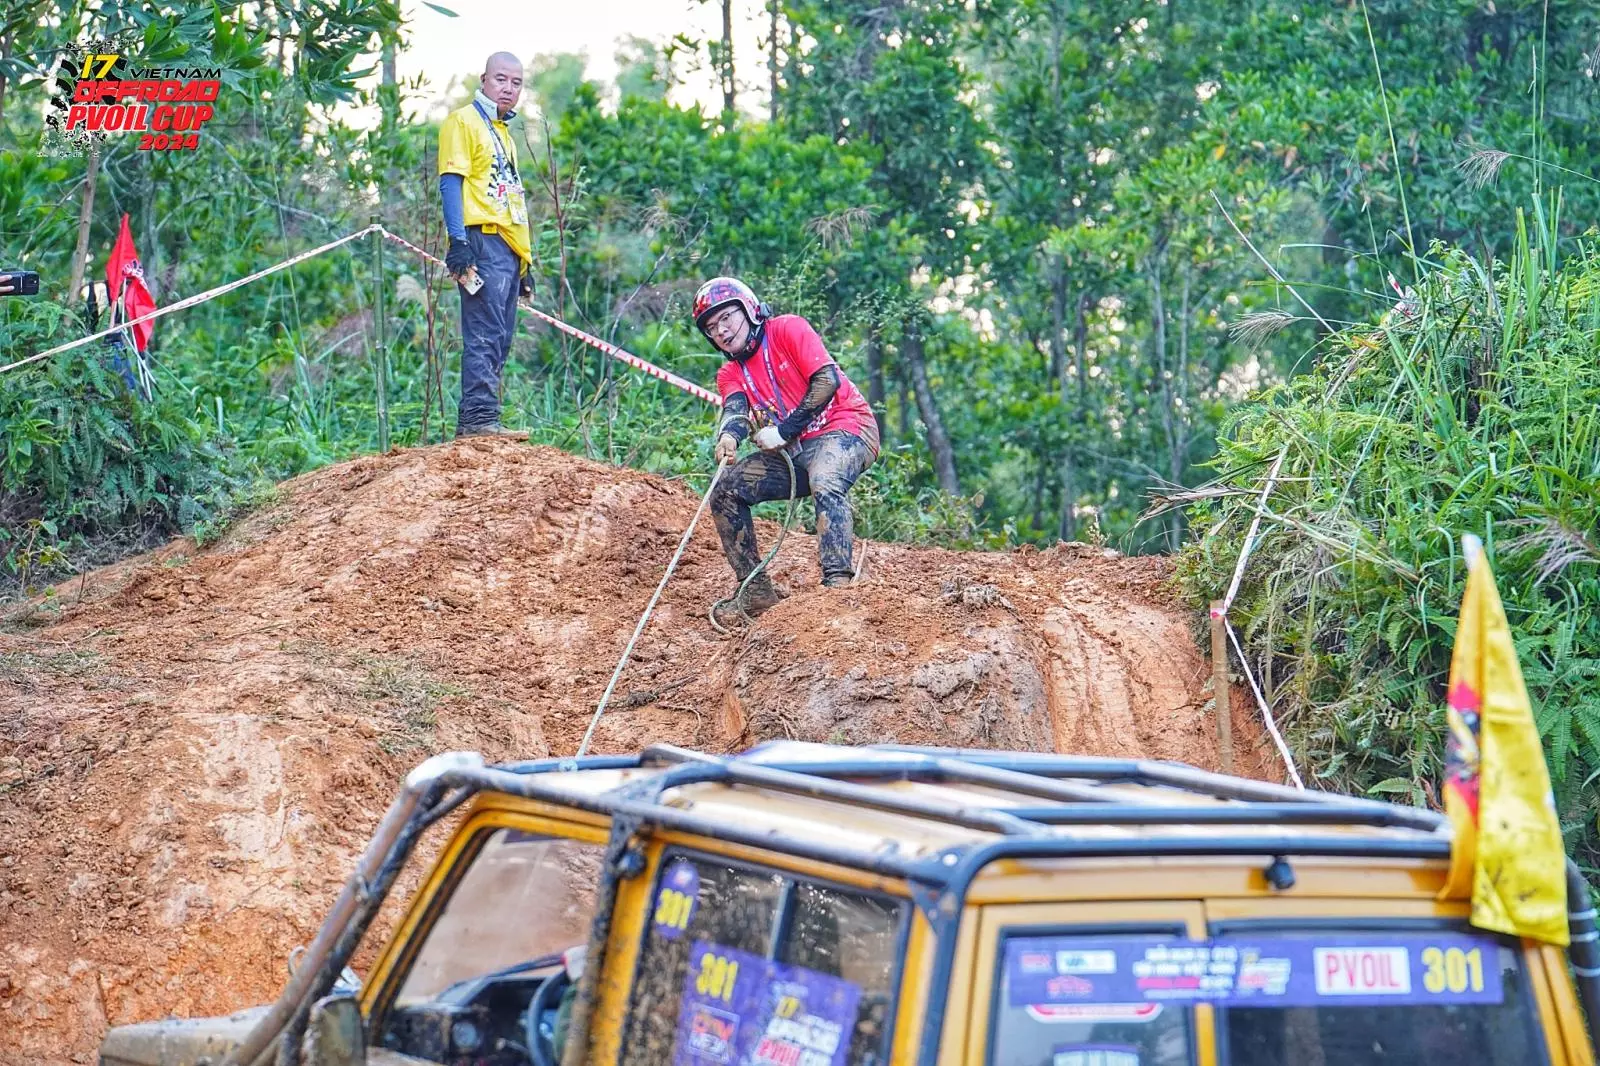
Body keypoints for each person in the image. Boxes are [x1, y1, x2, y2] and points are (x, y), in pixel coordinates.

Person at [695, 277, 881, 623]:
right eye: (711, 327)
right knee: (725, 489)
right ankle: (756, 593)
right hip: (795, 451)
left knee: (826, 479)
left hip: (847, 427)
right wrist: (728, 438)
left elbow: (827, 380)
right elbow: (735, 410)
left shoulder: (787, 329)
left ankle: (838, 586)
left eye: (726, 318)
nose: (721, 330)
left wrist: (782, 430)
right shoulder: (730, 372)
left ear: (749, 310)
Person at [438, 51, 534, 437]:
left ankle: (486, 417)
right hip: (481, 240)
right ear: (483, 80)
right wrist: (458, 242)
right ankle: (477, 421)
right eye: (501, 79)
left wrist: (524, 264)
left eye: (516, 82)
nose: (508, 88)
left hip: (508, 248)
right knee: (483, 332)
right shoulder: (463, 121)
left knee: (502, 335)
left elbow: (508, 198)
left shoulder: (504, 134)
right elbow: (451, 181)